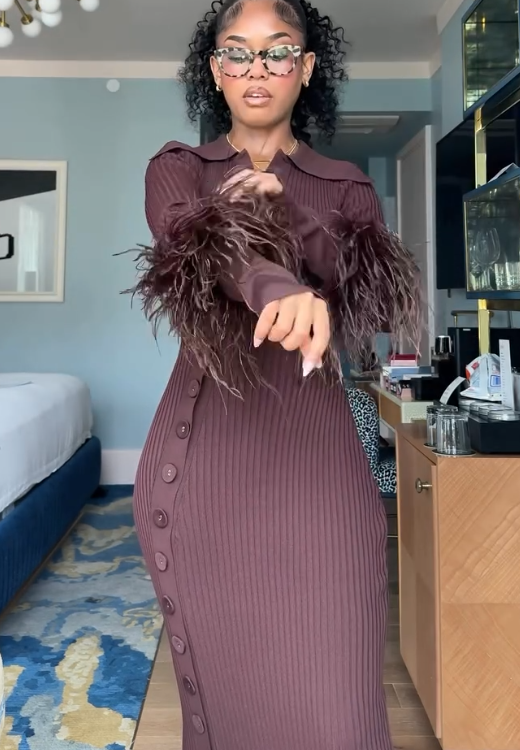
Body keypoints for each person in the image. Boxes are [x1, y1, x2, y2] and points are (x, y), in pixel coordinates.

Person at [132, 1, 420, 748]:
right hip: (207, 465)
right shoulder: (180, 168)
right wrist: (274, 286)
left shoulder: (346, 186)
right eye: (236, 52)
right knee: (230, 712)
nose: (255, 69)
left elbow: (361, 289)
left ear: (307, 66)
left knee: (341, 713)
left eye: (277, 51)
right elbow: (194, 243)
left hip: (319, 470)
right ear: (214, 70)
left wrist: (286, 213)